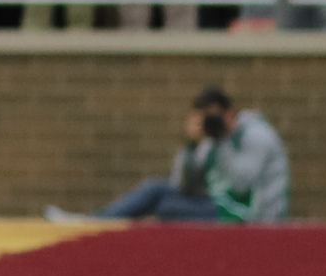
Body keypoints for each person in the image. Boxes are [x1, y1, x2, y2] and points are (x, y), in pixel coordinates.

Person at [83, 86, 290, 222]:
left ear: (230, 114)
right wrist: (191, 144)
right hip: (220, 205)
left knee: (167, 209)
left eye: (215, 118)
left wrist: (222, 142)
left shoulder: (257, 135)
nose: (212, 124)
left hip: (251, 216)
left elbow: (241, 184)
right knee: (156, 188)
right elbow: (185, 185)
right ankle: (96, 222)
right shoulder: (211, 139)